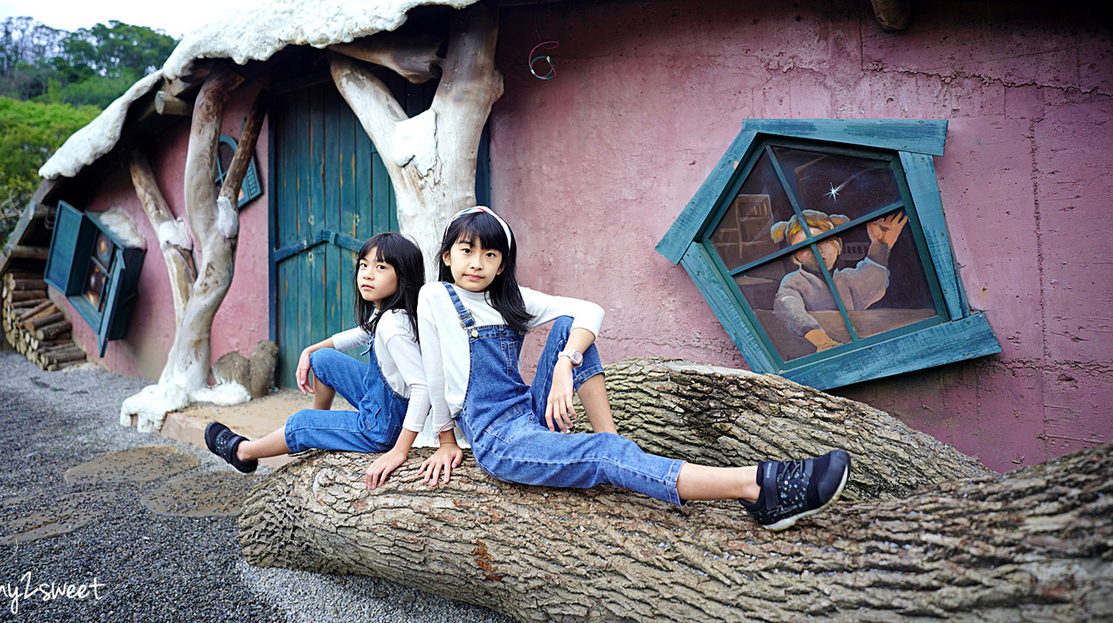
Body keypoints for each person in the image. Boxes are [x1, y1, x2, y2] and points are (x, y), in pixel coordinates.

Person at [414, 206, 851, 531]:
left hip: (527, 411)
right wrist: (446, 441)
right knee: (605, 455)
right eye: (466, 251)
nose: (476, 263)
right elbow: (434, 376)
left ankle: (613, 442)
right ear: (448, 256)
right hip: (498, 440)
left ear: (502, 263)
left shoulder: (508, 300)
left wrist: (565, 363)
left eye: (489, 255)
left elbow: (590, 311)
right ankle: (755, 487)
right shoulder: (435, 296)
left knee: (569, 327)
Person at [205, 232, 427, 489]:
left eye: (381, 267)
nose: (367, 274)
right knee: (322, 359)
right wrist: (309, 350)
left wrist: (399, 451)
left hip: (380, 428)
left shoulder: (394, 326)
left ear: (404, 277)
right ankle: (320, 426)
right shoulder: (387, 312)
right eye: (364, 265)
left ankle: (243, 452)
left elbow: (423, 388)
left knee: (301, 422)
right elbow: (358, 333)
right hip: (380, 405)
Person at [771, 210, 908, 351]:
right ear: (795, 257)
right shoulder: (793, 282)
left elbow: (872, 283)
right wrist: (820, 339)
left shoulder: (845, 278)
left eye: (823, 240)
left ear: (837, 246)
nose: (816, 250)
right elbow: (788, 306)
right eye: (803, 246)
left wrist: (880, 245)